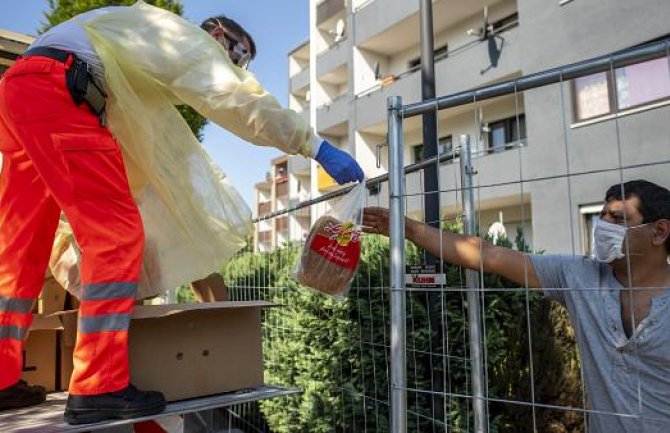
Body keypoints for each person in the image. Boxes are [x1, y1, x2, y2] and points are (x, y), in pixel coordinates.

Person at [0, 2, 364, 425]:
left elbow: (131, 159)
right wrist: (314, 146)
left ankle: (3, 376)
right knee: (115, 236)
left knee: (19, 246)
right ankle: (98, 386)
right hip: (62, 91)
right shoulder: (183, 38)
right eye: (240, 55)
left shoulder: (133, 42)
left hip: (19, 90)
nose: (239, 67)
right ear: (217, 35)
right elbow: (239, 100)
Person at [363, 179, 670, 433]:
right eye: (602, 216)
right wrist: (408, 228)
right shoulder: (579, 276)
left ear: (659, 232)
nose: (603, 226)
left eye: (618, 219)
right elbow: (487, 254)